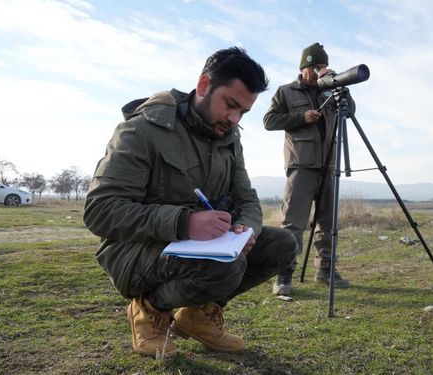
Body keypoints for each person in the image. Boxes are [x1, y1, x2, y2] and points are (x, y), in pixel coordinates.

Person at [83, 47, 296, 357]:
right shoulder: (141, 129)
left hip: (199, 249)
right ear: (203, 86)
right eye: (230, 105)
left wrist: (247, 229)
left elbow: (247, 196)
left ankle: (197, 317)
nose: (235, 119)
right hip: (134, 251)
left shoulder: (229, 138)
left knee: (282, 245)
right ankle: (149, 309)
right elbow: (99, 211)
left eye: (243, 113)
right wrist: (184, 222)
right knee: (226, 264)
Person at [264, 42, 354, 296]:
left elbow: (351, 112)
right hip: (301, 166)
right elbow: (269, 121)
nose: (318, 72)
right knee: (293, 223)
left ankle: (325, 270)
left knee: (328, 222)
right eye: (315, 67)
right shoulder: (285, 92)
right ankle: (284, 274)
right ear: (303, 68)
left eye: (322, 67)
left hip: (329, 164)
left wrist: (338, 85)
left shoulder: (331, 88)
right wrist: (300, 118)